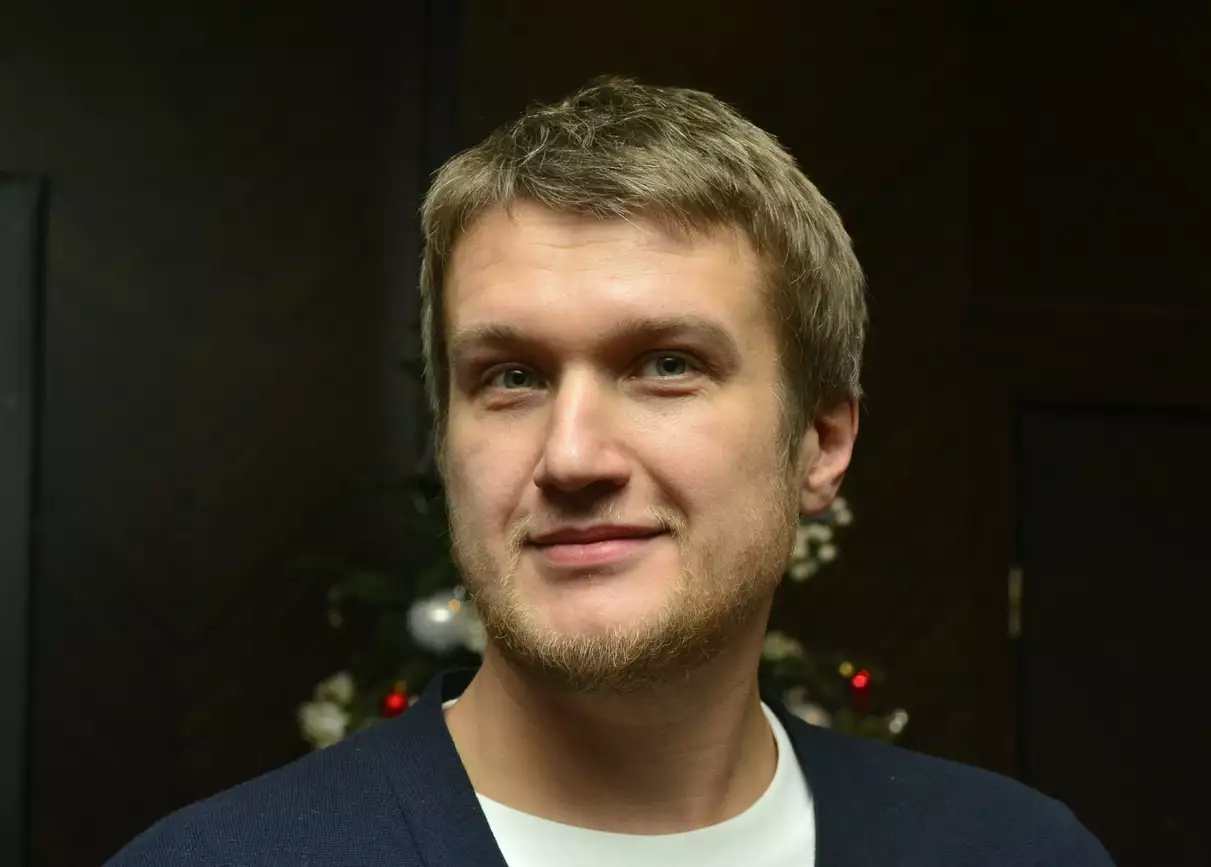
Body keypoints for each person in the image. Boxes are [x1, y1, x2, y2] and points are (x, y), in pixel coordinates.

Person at [107, 76, 1115, 867]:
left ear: (820, 441)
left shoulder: (1013, 854)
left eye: (666, 365)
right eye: (509, 378)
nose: (572, 457)